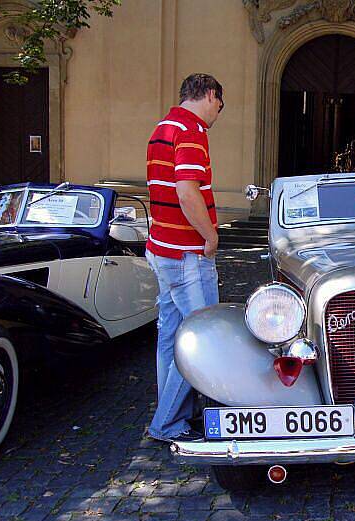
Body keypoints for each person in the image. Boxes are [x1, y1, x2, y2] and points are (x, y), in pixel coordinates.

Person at [144, 73, 224, 443]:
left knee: (170, 335)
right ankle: (167, 423)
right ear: (210, 95)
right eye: (219, 105)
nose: (218, 114)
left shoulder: (163, 127)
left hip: (162, 249)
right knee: (201, 339)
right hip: (187, 254)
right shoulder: (192, 130)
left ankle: (173, 412)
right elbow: (187, 189)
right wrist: (210, 236)